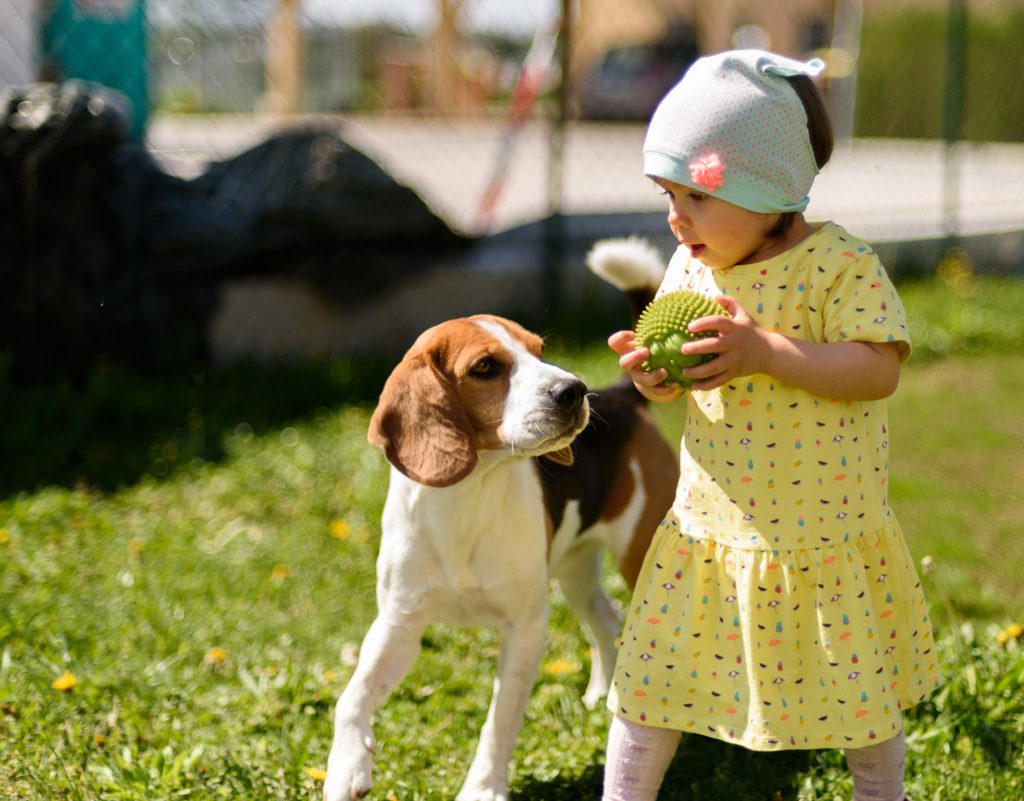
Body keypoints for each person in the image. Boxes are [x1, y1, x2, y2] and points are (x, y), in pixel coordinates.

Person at [602, 49, 941, 801]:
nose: (674, 216)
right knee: (648, 681)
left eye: (696, 194)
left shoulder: (838, 266)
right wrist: (658, 380)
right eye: (667, 193)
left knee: (861, 700)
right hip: (708, 531)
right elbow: (690, 387)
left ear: (773, 188)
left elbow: (877, 368)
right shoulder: (692, 266)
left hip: (820, 531)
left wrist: (764, 350)